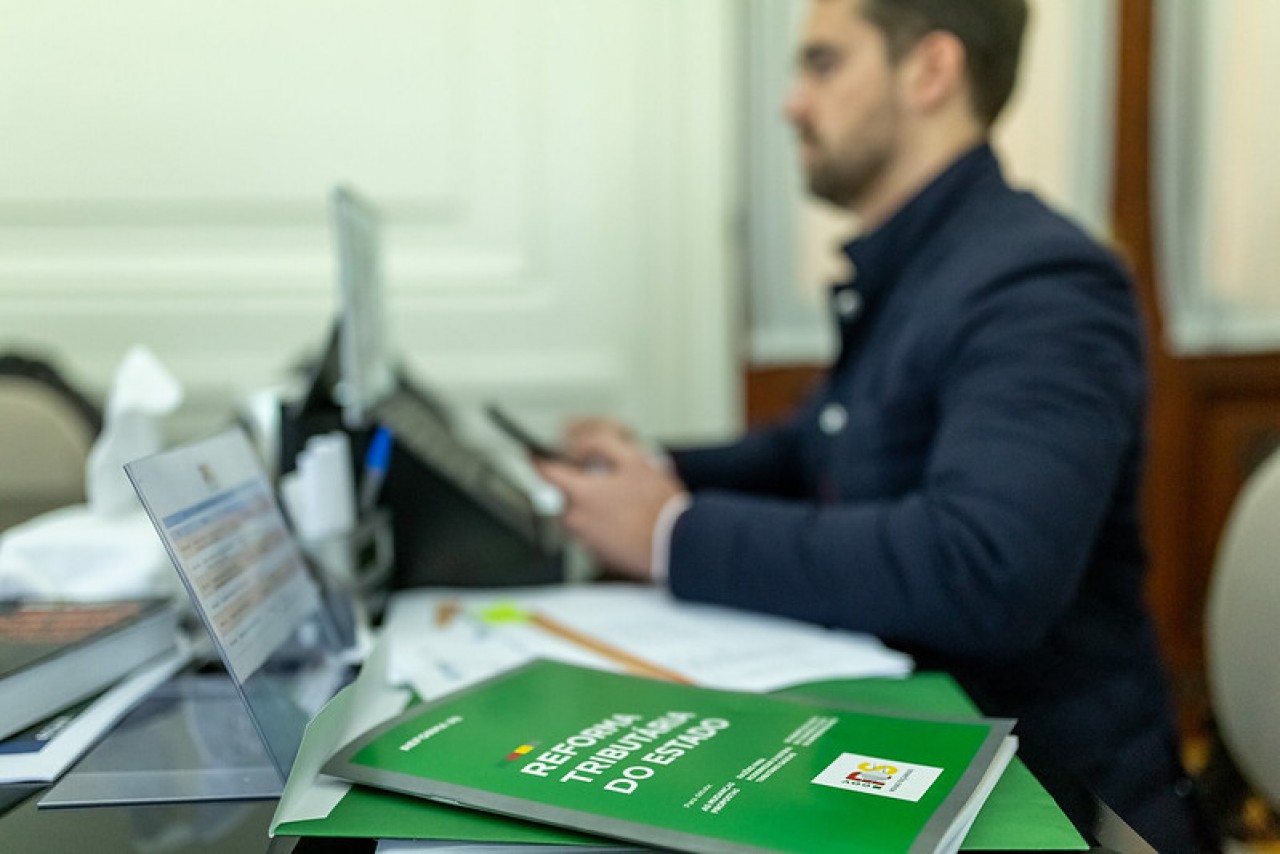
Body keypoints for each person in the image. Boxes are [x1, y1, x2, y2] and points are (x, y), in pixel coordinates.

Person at [536, 0, 1212, 850]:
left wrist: (672, 534)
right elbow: (819, 447)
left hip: (1049, 801)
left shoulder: (1041, 282)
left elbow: (985, 565)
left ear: (930, 71)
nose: (792, 103)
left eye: (823, 64)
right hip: (923, 757)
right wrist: (648, 469)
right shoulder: (926, 262)